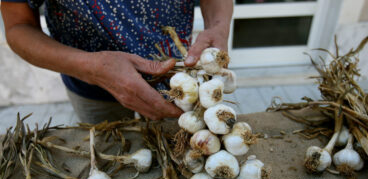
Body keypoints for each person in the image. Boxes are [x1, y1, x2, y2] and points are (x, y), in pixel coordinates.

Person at [1, 0, 233, 123]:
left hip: (178, 83)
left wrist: (219, 26)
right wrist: (92, 69)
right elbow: (17, 26)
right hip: (91, 85)